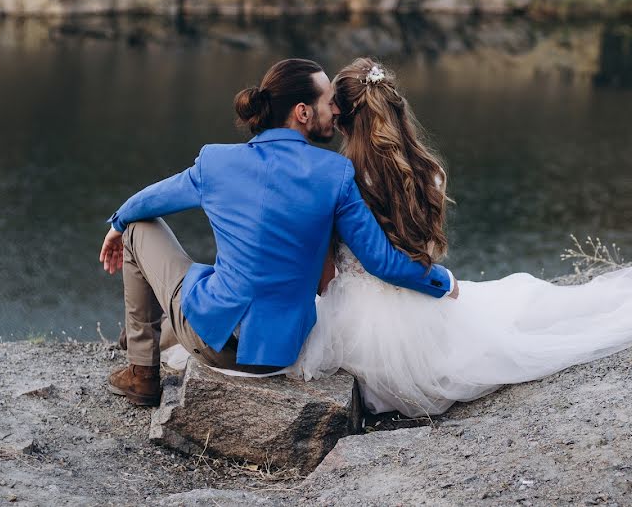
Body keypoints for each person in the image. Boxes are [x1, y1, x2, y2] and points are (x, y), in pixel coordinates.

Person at [288, 58, 632, 417]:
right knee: (518, 310)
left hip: (367, 318)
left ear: (345, 120)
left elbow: (366, 263)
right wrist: (440, 280)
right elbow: (409, 251)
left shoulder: (344, 177)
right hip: (418, 304)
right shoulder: (424, 170)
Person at [99, 58, 459, 407]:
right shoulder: (335, 174)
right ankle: (151, 334)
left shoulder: (217, 162)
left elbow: (149, 201)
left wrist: (117, 225)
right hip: (283, 353)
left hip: (216, 345)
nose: (337, 111)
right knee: (216, 277)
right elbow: (382, 262)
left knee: (137, 227)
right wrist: (441, 280)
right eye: (329, 103)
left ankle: (142, 372)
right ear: (302, 112)